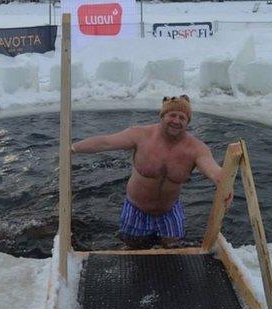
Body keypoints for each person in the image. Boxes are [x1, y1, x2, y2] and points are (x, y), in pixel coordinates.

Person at [71, 95, 228, 249]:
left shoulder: (196, 148)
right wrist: (72, 149)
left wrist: (225, 184)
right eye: (172, 115)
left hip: (169, 211)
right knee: (132, 249)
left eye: (182, 118)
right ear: (162, 116)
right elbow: (105, 143)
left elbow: (213, 170)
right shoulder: (140, 135)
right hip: (136, 209)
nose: (176, 121)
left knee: (174, 251)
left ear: (187, 122)